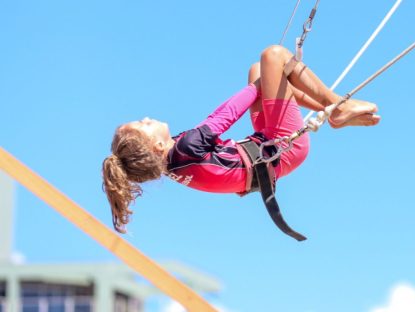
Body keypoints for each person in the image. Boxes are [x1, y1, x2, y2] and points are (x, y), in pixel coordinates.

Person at [102, 45, 380, 234]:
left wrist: (266, 82)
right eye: (143, 124)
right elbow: (225, 114)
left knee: (258, 70)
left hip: (267, 145)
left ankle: (331, 111)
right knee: (273, 57)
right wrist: (269, 80)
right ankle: (338, 106)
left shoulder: (176, 161)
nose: (147, 117)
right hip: (284, 148)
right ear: (157, 146)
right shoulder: (185, 149)